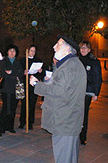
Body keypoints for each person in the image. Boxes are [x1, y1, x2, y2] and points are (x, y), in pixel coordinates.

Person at [30, 35, 86, 163]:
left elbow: (57, 91)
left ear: (67, 49)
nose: (54, 47)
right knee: (70, 156)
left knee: (63, 157)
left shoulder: (67, 67)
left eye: (58, 44)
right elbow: (65, 87)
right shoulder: (73, 63)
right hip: (70, 119)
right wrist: (50, 81)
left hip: (64, 119)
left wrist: (36, 84)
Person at [0, 45, 23, 137]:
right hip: (6, 89)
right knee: (5, 108)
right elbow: (3, 73)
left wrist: (11, 72)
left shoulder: (17, 62)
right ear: (7, 52)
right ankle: (0, 128)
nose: (12, 53)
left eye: (14, 51)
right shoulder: (4, 61)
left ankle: (10, 126)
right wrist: (14, 74)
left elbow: (20, 73)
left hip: (16, 88)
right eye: (10, 51)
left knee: (13, 109)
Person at [79, 40, 102, 145]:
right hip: (76, 90)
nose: (83, 50)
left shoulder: (94, 61)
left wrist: (96, 93)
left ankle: (82, 136)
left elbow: (98, 77)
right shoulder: (77, 59)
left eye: (85, 48)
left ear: (89, 49)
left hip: (87, 91)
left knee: (84, 114)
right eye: (81, 48)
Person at [19, 45, 43, 130]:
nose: (33, 52)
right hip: (25, 85)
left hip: (33, 85)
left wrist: (40, 71)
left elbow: (40, 74)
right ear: (28, 51)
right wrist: (23, 72)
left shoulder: (38, 61)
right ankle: (22, 122)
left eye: (34, 51)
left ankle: (30, 123)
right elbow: (19, 72)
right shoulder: (22, 60)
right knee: (24, 104)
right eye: (31, 50)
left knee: (32, 104)